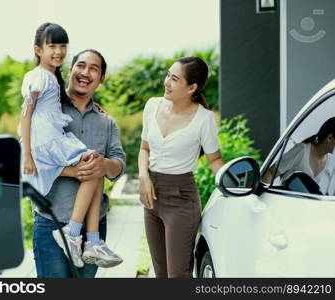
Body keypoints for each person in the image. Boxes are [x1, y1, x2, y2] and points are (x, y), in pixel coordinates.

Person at [20, 23, 122, 270]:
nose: (86, 72)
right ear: (70, 69)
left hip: (95, 223)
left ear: (102, 78)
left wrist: (103, 166)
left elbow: (118, 167)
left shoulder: (106, 121)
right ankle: (73, 234)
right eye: (81, 65)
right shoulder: (50, 111)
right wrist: (72, 172)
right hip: (50, 223)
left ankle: (92, 241)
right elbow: (27, 157)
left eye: (93, 69)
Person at [138, 56, 225, 278]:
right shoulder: (152, 106)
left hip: (181, 200)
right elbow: (144, 149)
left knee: (178, 275)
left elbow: (214, 160)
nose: (167, 82)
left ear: (192, 87)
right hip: (152, 198)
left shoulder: (204, 119)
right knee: (161, 273)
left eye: (175, 79)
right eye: (168, 75)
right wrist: (144, 177)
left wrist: (232, 187)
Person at [263, 117, 335, 195]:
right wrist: (265, 196)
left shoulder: (329, 161)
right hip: (286, 202)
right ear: (329, 138)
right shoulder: (302, 150)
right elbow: (270, 173)